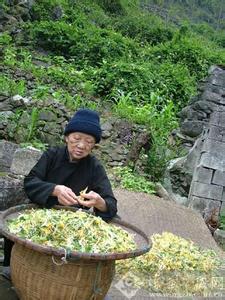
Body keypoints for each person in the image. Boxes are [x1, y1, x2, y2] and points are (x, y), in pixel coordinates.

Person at [2, 108, 117, 280]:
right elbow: (31, 181)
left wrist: (100, 202)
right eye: (76, 138)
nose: (81, 145)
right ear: (67, 137)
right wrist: (54, 189)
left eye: (89, 141)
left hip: (70, 222)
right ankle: (13, 266)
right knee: (19, 223)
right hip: (40, 212)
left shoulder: (95, 167)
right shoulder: (52, 155)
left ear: (94, 145)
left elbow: (110, 203)